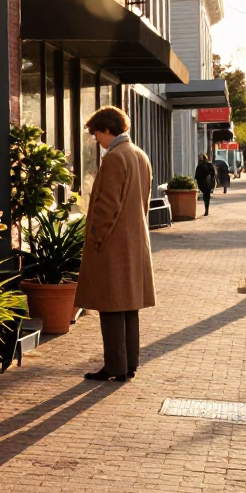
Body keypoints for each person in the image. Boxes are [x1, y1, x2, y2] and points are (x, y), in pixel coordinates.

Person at [75, 106, 156, 383]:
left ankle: (114, 367)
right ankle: (129, 364)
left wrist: (96, 236)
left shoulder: (114, 158)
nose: (97, 139)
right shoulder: (140, 155)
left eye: (97, 133)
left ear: (107, 129)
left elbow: (108, 205)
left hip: (112, 245)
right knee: (129, 307)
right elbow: (142, 202)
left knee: (110, 307)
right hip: (135, 243)